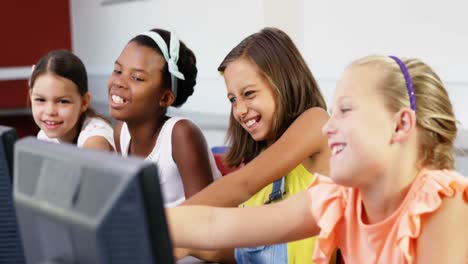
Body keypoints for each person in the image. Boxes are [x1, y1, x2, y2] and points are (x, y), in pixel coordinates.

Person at [169, 55, 468, 263]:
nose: (327, 126)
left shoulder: (443, 202)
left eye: (346, 110)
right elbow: (215, 224)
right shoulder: (343, 198)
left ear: (400, 125)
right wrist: (137, 216)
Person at [178, 27, 332, 263]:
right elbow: (244, 251)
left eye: (249, 94)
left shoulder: (316, 122)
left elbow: (244, 183)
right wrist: (188, 245)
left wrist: (164, 222)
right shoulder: (259, 154)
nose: (239, 110)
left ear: (284, 82)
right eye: (232, 99)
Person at [108, 28, 221, 208]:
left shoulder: (181, 135)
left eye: (137, 77)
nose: (119, 82)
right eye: (117, 70)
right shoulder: (121, 133)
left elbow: (202, 218)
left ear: (166, 97)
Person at [29, 50, 115, 151]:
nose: (50, 111)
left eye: (63, 101)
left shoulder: (94, 141)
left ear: (84, 102)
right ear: (31, 97)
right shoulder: (45, 136)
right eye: (41, 99)